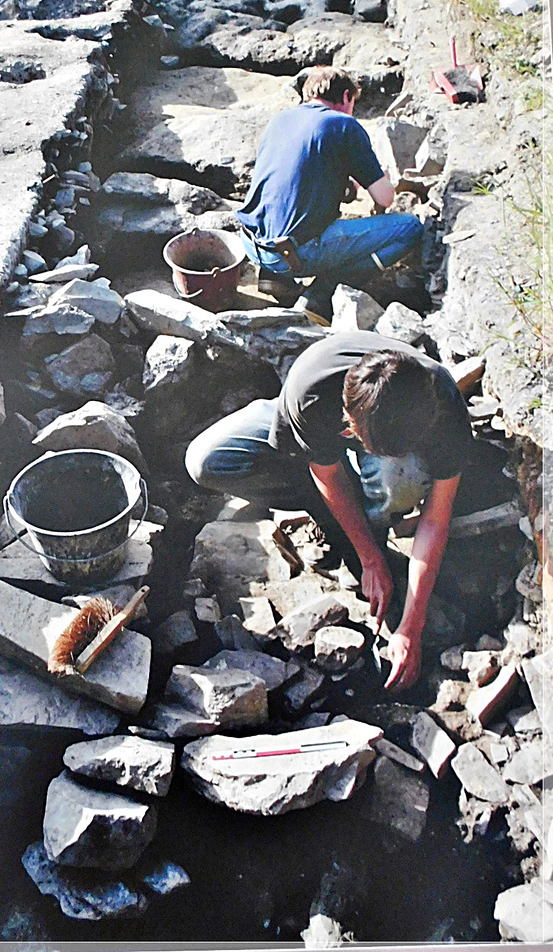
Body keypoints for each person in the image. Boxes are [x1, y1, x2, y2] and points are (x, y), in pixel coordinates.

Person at [185, 332, 472, 692]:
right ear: (347, 420)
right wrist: (370, 559)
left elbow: (435, 519)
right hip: (310, 421)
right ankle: (343, 510)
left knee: (397, 477)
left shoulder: (442, 409)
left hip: (381, 446)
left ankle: (375, 504)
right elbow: (329, 477)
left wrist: (411, 626)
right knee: (206, 462)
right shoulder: (311, 391)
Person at [237, 66, 424, 325]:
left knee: (285, 213)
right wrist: (381, 178)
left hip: (251, 243)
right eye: (353, 104)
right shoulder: (344, 124)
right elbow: (385, 198)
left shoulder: (280, 120)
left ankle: (273, 279)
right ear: (346, 97)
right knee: (410, 228)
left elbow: (290, 179)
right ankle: (319, 296)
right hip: (296, 253)